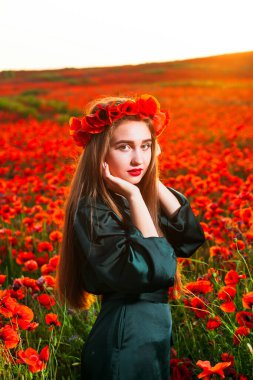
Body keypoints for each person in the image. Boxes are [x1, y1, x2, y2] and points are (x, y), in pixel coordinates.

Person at [56, 94, 206, 380]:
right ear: (101, 153)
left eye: (146, 146)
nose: (138, 158)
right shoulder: (92, 209)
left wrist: (152, 179)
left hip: (152, 337)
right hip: (124, 340)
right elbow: (157, 271)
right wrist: (135, 194)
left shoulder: (131, 198)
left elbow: (190, 240)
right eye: (124, 147)